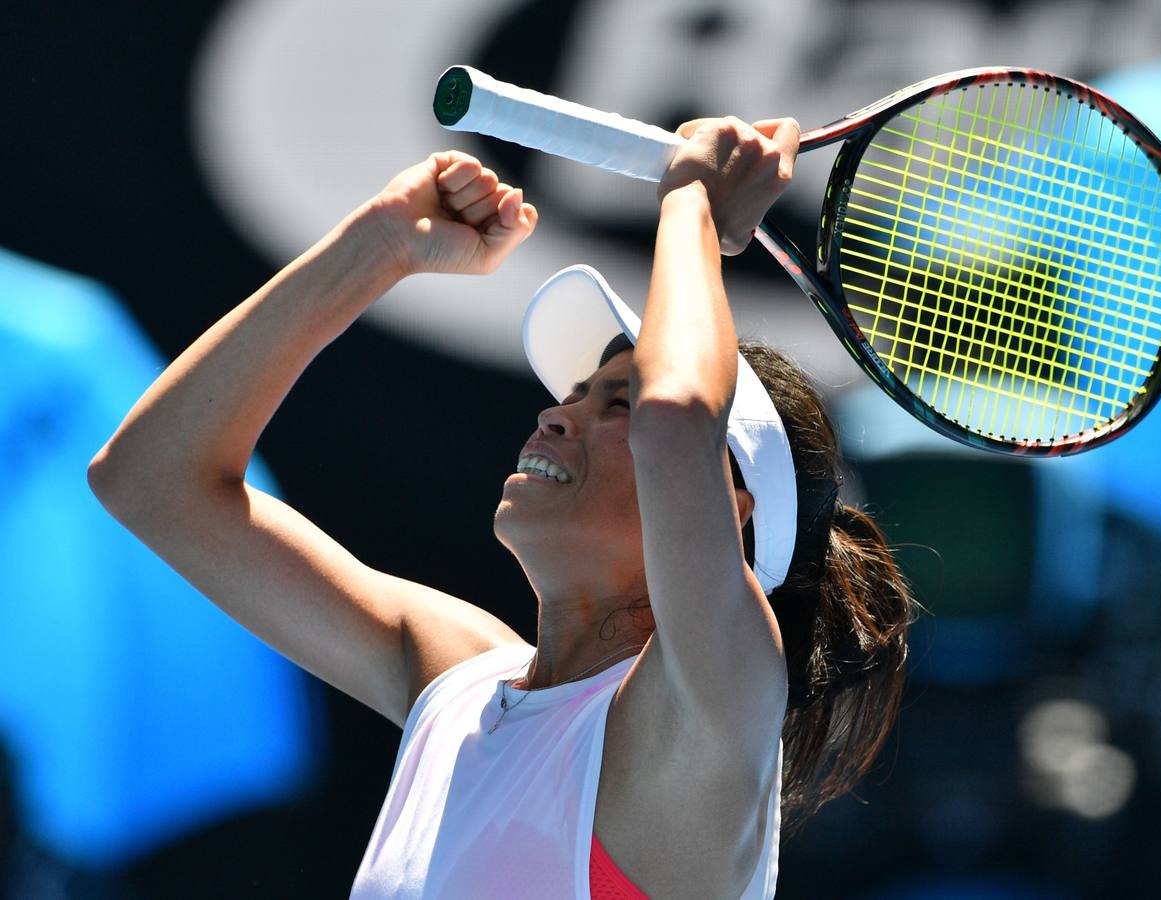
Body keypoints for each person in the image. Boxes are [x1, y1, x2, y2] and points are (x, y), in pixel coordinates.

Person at [88, 115, 918, 898]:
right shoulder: (456, 681)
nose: (556, 413)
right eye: (577, 394)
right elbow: (148, 478)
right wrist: (377, 246)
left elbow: (676, 424)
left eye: (614, 404)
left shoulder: (718, 696)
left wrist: (693, 202)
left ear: (729, 505)